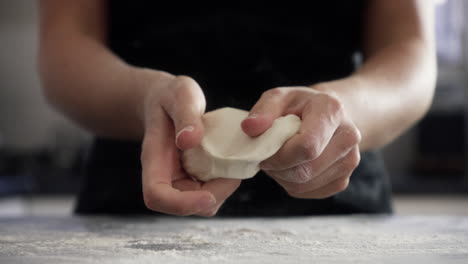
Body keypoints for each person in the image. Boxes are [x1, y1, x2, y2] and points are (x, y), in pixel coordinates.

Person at [38, 1, 436, 217]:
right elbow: (63, 50)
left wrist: (337, 110)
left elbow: (410, 54)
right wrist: (144, 99)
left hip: (336, 197)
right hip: (137, 198)